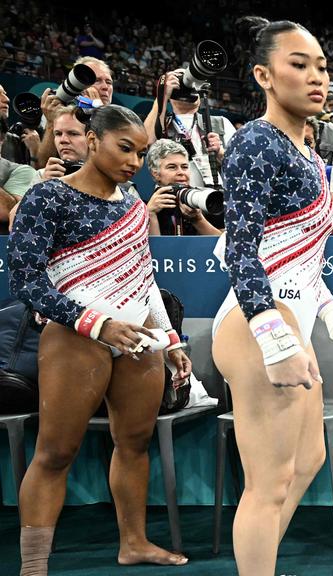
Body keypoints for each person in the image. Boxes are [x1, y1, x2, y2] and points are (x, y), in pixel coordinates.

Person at [212, 17, 333, 576]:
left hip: (289, 317)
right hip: (258, 324)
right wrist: (273, 335)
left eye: (321, 66)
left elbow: (299, 262)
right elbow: (241, 252)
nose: (315, 77)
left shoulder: (308, 151)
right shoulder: (256, 142)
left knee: (308, 460)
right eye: (298, 65)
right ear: (263, 75)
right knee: (269, 482)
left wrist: (331, 315)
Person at [10, 104, 192, 573]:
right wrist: (98, 325)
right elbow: (28, 282)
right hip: (75, 338)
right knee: (55, 451)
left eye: (141, 152)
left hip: (137, 338)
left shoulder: (133, 204)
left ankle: (132, 543)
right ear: (93, 141)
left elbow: (143, 276)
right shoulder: (47, 197)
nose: (134, 161)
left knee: (134, 443)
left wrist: (170, 341)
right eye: (124, 148)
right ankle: (33, 566)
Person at [144, 68, 235, 190]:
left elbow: (239, 166)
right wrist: (162, 95)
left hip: (215, 196)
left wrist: (220, 153)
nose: (186, 86)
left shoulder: (221, 123)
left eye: (191, 81)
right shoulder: (161, 124)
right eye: (181, 81)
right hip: (173, 198)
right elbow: (146, 142)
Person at [145, 138, 222, 236]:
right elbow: (153, 249)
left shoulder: (205, 199)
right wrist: (151, 214)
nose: (181, 172)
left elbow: (224, 247)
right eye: (172, 167)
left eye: (184, 167)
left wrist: (198, 220)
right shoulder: (144, 207)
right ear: (155, 174)